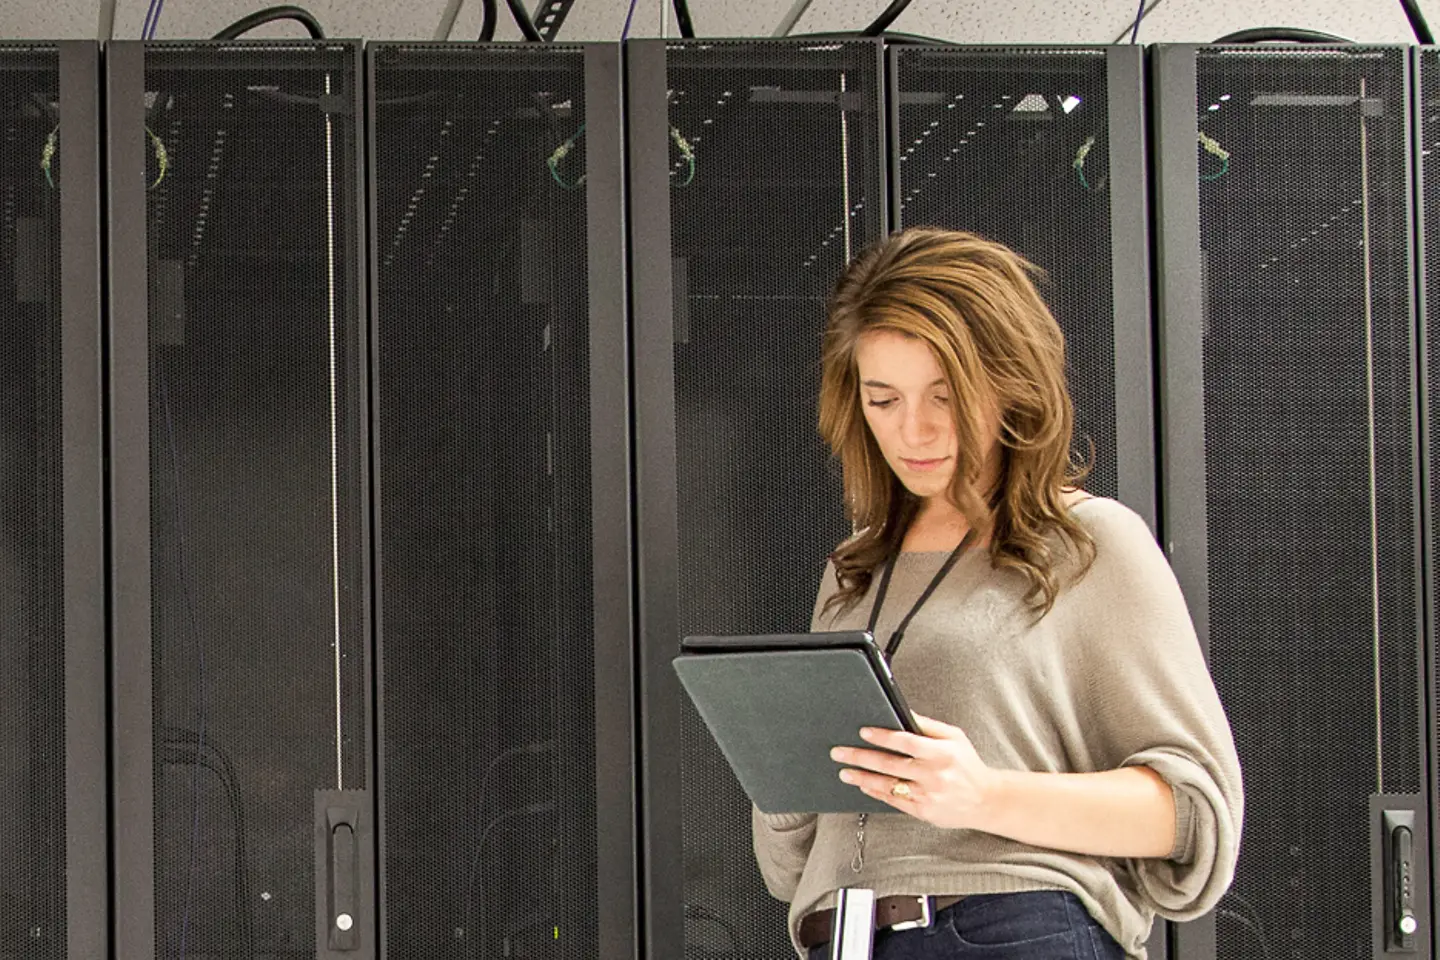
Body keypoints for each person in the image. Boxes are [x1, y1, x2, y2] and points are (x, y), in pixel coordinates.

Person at [752, 227, 1243, 960]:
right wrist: (779, 775)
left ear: (1008, 381)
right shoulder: (852, 571)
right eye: (883, 399)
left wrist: (982, 794)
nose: (912, 430)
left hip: (1012, 930)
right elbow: (787, 871)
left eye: (944, 397)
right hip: (843, 937)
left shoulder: (1088, 543)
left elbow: (1195, 815)